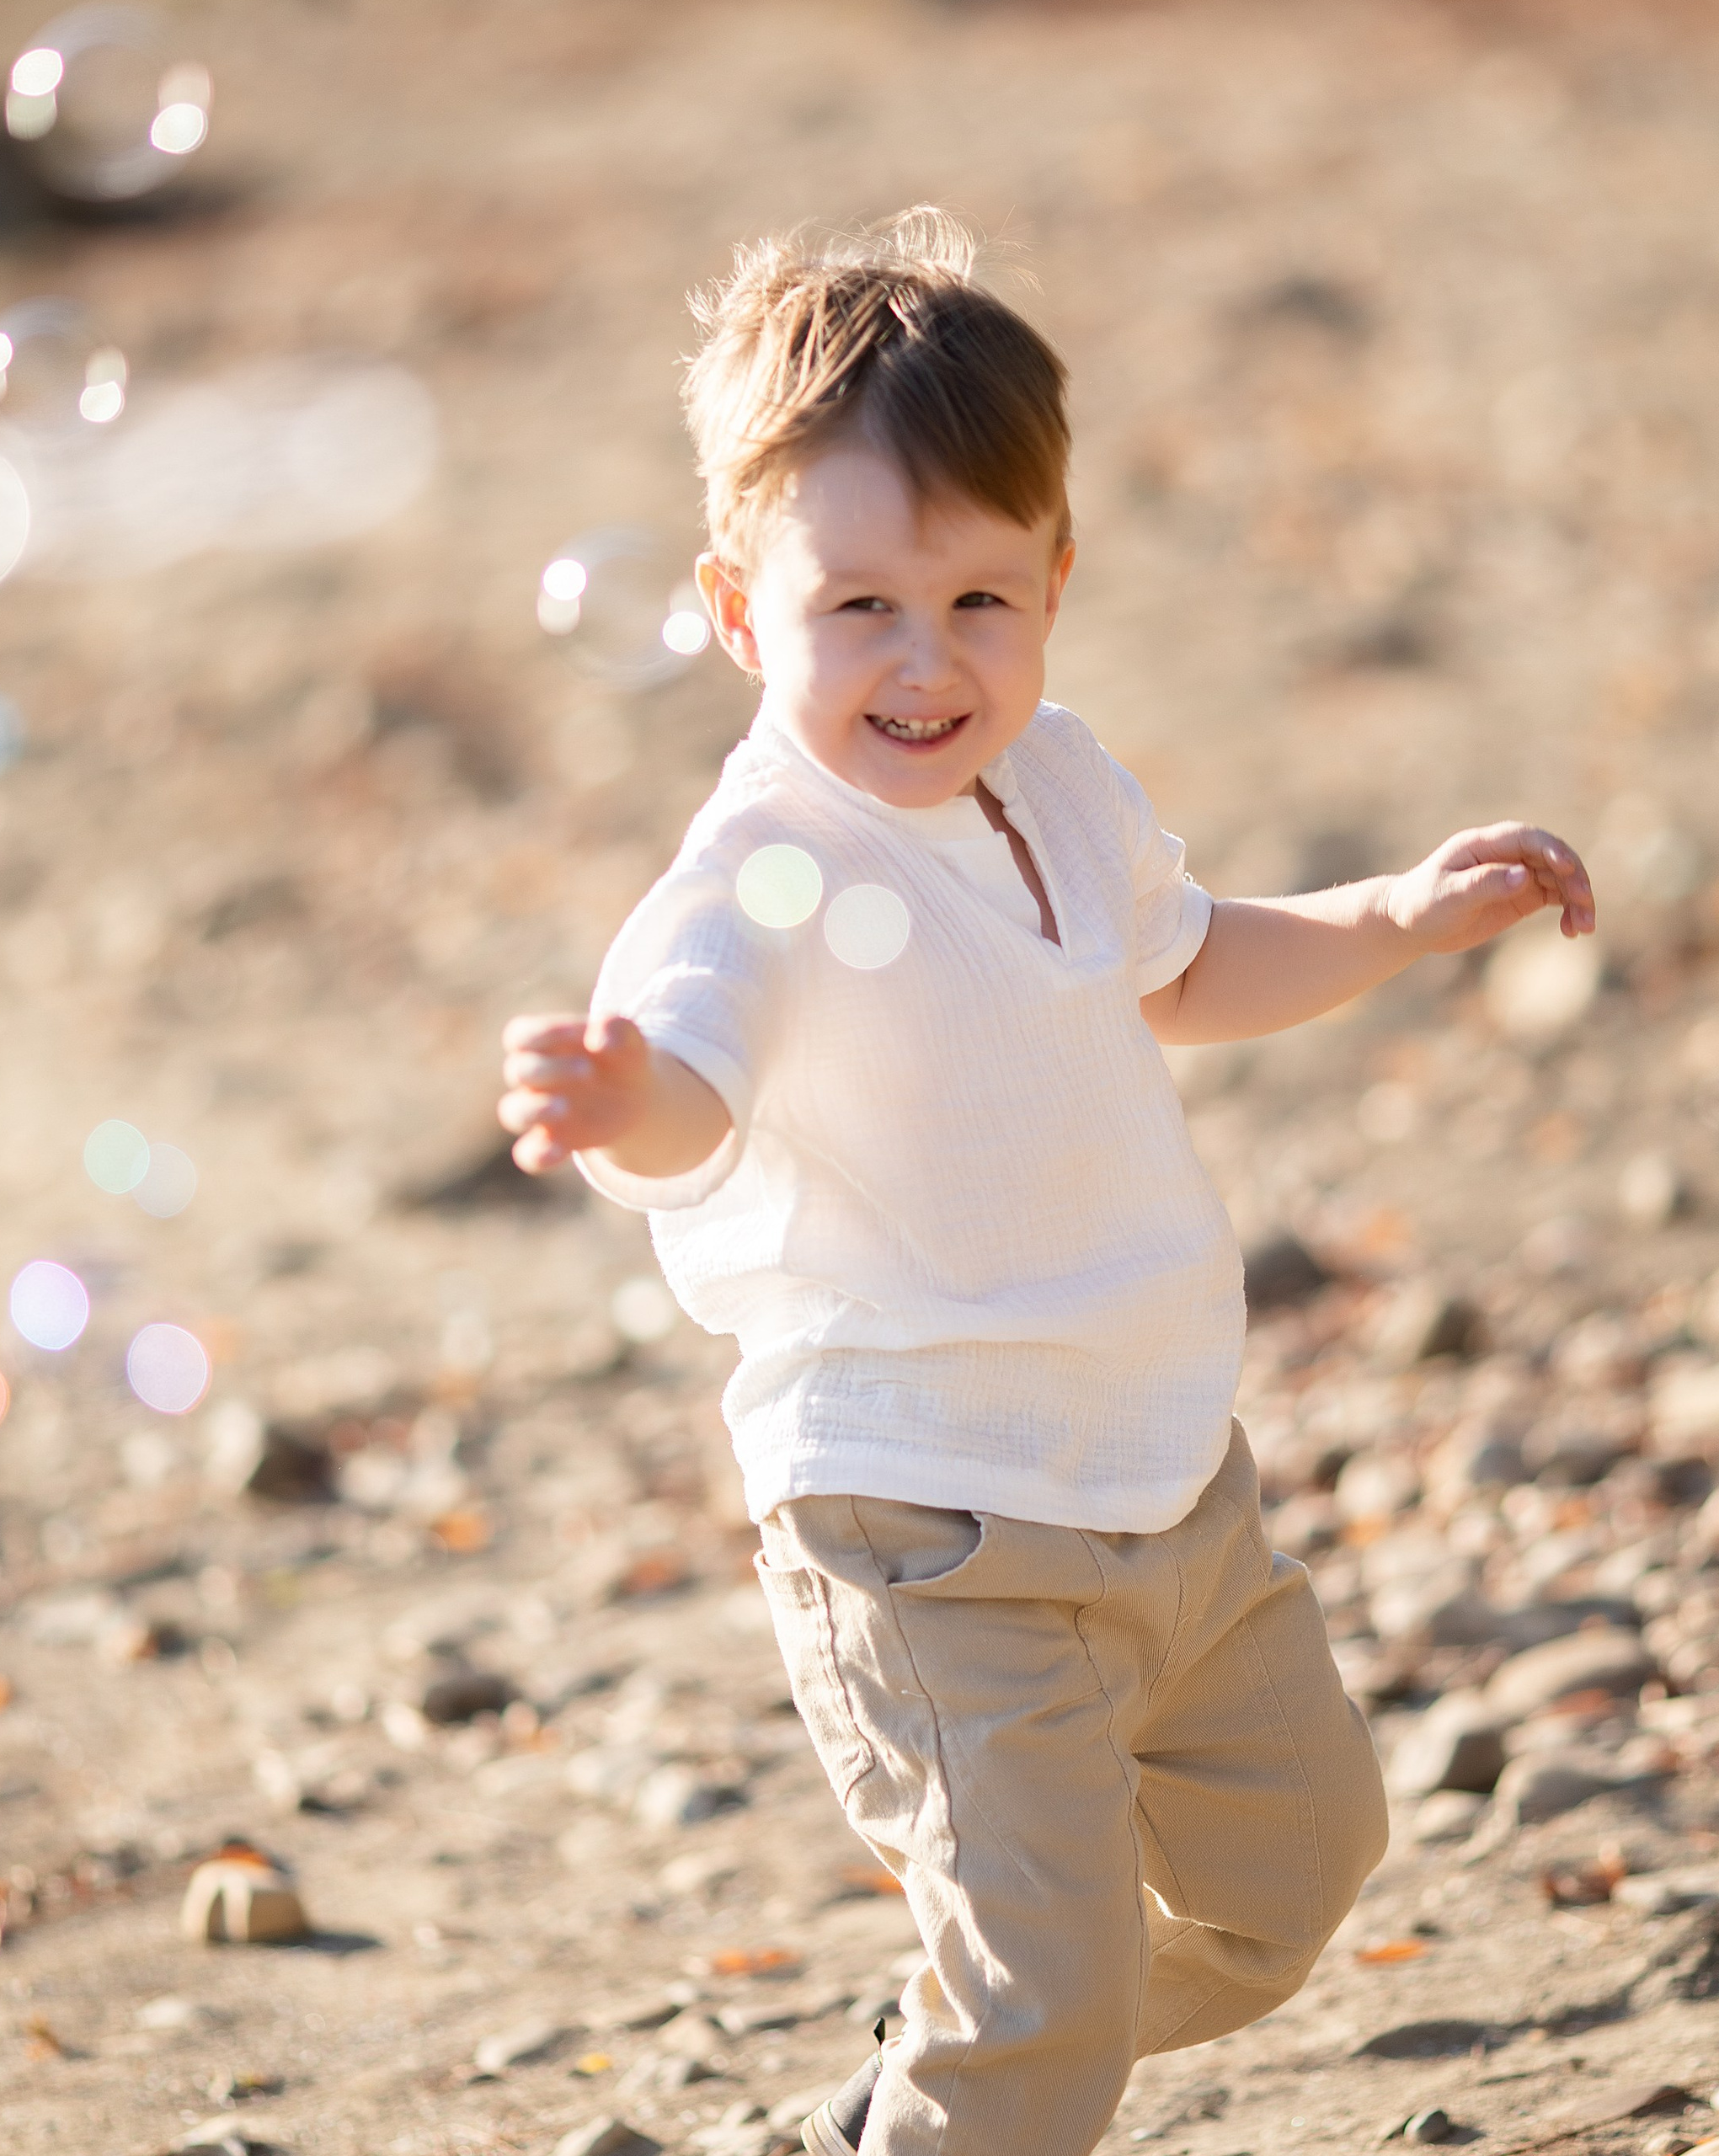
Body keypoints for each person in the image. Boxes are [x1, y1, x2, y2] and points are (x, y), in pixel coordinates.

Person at [497, 207, 1595, 2156]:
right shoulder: (759, 865)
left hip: (1163, 1476)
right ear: (741, 611)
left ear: (1056, 582)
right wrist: (617, 1097)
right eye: (857, 610)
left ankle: (968, 2058)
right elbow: (697, 1084)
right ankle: (990, 2069)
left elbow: (1179, 965)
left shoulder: (1059, 783)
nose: (924, 665)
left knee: (1291, 1875)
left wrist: (1392, 916)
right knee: (1045, 1998)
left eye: (979, 604)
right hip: (926, 1529)